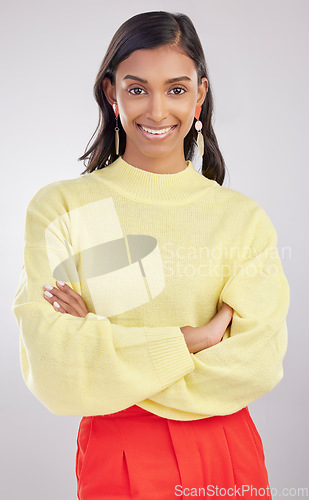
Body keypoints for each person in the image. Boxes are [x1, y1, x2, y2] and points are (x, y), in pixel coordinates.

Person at [12, 11, 290, 500]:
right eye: (137, 88)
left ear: (200, 94)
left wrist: (104, 351)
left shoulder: (241, 219)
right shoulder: (64, 208)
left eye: (177, 89)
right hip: (118, 456)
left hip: (225, 453)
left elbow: (258, 363)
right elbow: (55, 368)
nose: (158, 110)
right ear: (110, 93)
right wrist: (192, 339)